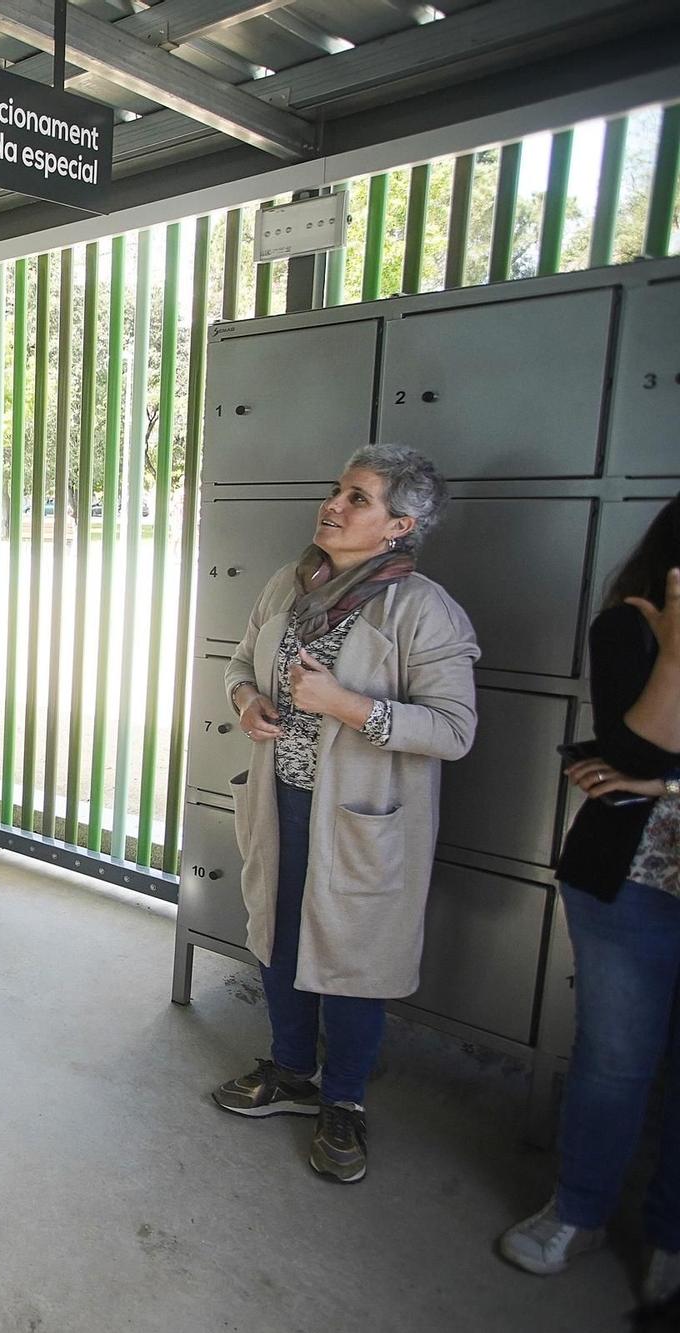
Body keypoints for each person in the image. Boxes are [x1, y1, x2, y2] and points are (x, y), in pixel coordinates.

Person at [211, 444, 479, 1184]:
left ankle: (346, 1102)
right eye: (338, 491)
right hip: (282, 802)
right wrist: (247, 701)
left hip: (362, 820)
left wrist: (348, 707)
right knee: (277, 939)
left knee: (354, 963)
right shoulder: (289, 585)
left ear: (400, 525)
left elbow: (454, 730)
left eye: (357, 498)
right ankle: (293, 1072)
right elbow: (238, 662)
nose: (334, 505)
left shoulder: (420, 610)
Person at [500, 497, 680, 1308]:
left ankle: (672, 1234)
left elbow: (655, 768)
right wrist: (674, 656)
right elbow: (632, 747)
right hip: (632, 882)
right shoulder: (630, 627)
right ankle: (579, 1212)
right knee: (614, 1061)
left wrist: (669, 782)